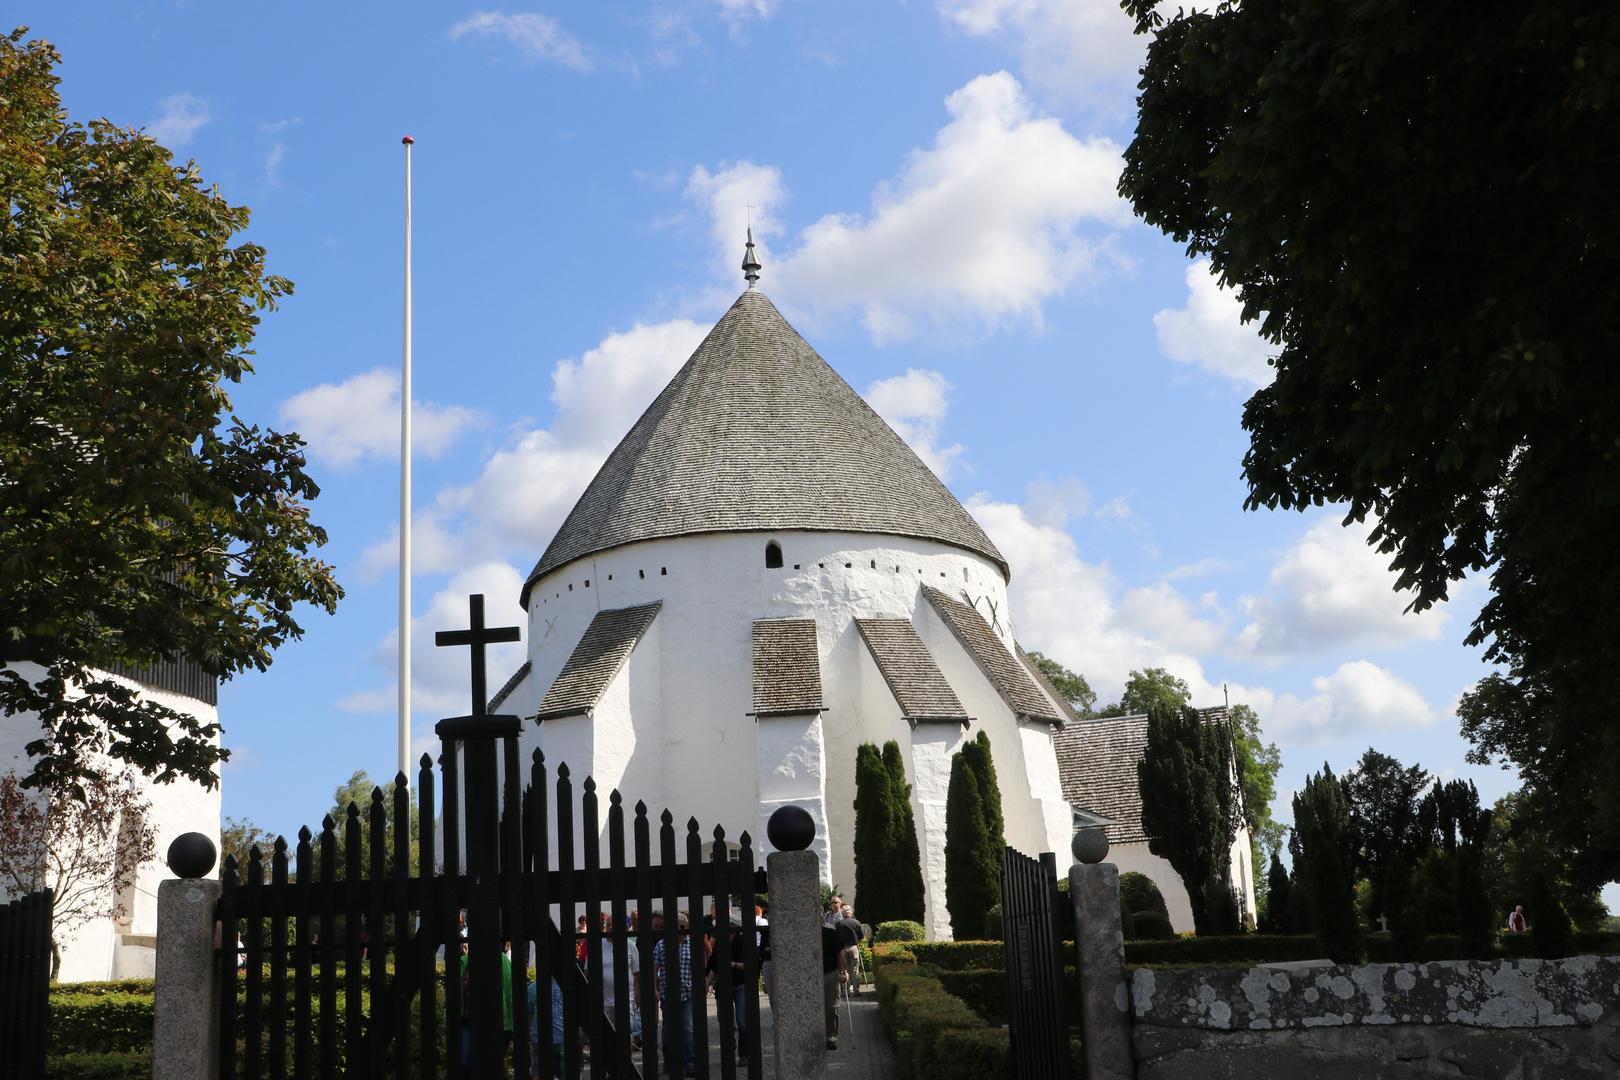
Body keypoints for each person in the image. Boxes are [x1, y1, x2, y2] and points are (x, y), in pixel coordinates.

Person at [457, 943, 513, 1079]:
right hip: (468, 1022)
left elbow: (510, 990)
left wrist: (514, 1021)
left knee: (490, 1067)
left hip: (498, 1023)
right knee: (464, 1065)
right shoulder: (464, 962)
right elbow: (456, 994)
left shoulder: (501, 959)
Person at [653, 911, 697, 1077]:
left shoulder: (692, 944)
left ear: (687, 928)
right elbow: (655, 967)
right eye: (676, 926)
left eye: (682, 927)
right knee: (667, 1030)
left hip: (688, 992)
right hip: (667, 992)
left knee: (687, 1027)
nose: (679, 929)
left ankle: (689, 1062)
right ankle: (669, 1059)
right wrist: (654, 988)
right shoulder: (662, 945)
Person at [707, 915, 751, 1067]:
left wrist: (731, 964)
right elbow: (714, 966)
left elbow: (749, 965)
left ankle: (744, 1054)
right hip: (724, 986)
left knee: (742, 1022)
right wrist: (707, 984)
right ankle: (729, 1047)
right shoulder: (720, 943)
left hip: (740, 984)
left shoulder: (743, 941)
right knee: (724, 1021)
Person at [527, 975, 564, 1079]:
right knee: (537, 1074)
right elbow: (530, 1012)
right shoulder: (532, 988)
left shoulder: (564, 986)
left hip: (562, 1037)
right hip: (539, 1038)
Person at [821, 912, 846, 1051]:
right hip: (811, 976)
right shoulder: (804, 937)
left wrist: (842, 972)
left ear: (822, 920)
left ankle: (831, 1037)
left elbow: (840, 953)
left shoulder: (831, 934)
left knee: (832, 1007)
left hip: (830, 973)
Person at [835, 905, 864, 992]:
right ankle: (856, 990)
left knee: (844, 969)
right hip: (854, 947)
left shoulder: (839, 923)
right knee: (855, 969)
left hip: (843, 948)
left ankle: (845, 990)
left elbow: (836, 937)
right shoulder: (857, 923)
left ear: (843, 914)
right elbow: (861, 936)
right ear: (851, 913)